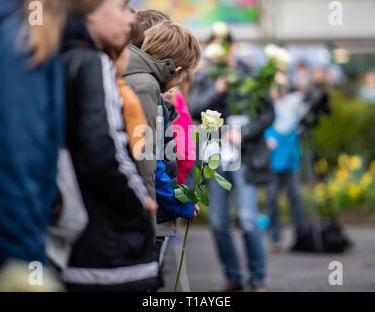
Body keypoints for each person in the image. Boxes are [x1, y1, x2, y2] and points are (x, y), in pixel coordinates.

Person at [0, 0, 104, 290]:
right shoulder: (23, 41)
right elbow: (11, 166)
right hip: (2, 252)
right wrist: (28, 266)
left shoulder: (29, 32)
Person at [61, 0, 161, 291]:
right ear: (89, 10)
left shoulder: (59, 56)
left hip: (69, 238)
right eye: (121, 7)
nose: (131, 19)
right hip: (104, 244)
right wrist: (140, 201)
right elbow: (105, 150)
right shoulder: (94, 63)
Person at [189, 27, 274, 292]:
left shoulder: (252, 76)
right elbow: (193, 108)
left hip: (244, 156)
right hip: (215, 157)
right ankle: (233, 276)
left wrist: (244, 133)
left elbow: (267, 114)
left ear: (232, 49)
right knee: (218, 222)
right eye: (213, 49)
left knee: (248, 219)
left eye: (222, 48)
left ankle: (257, 278)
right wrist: (217, 89)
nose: (218, 55)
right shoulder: (205, 79)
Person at [124, 15, 201, 271]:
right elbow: (148, 161)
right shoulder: (146, 87)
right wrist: (180, 204)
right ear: (177, 71)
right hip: (146, 211)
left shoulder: (137, 78)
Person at [264, 71, 308, 252]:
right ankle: (275, 238)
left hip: (290, 161)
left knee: (296, 199)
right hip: (272, 162)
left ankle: (302, 237)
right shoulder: (266, 105)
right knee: (272, 200)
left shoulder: (293, 103)